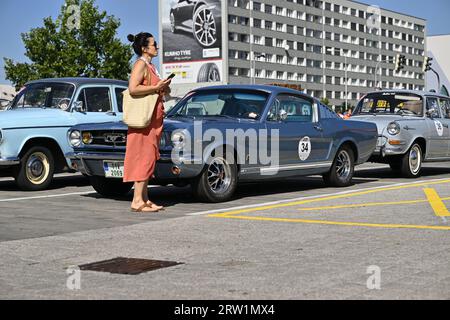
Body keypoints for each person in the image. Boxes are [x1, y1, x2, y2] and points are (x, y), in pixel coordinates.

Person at [124, 32, 172, 213]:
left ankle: (144, 198)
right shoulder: (140, 64)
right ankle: (137, 200)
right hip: (143, 120)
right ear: (145, 48)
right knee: (142, 157)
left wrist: (163, 87)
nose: (157, 47)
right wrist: (155, 87)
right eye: (154, 44)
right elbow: (133, 88)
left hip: (152, 119)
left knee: (149, 156)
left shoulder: (151, 66)